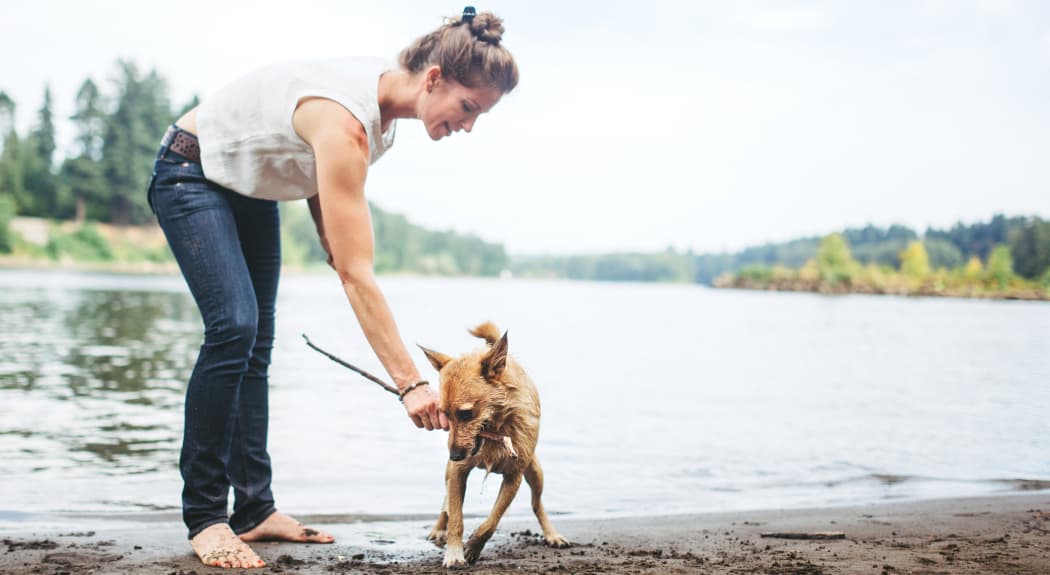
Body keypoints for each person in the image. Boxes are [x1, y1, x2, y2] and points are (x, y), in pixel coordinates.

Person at [147, 7, 518, 569]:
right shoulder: (348, 120)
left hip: (249, 189)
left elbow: (315, 174)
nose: (467, 124)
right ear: (435, 78)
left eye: (480, 116)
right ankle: (206, 518)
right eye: (468, 107)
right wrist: (411, 384)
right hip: (190, 172)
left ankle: (254, 510)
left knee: (256, 344)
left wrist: (327, 231)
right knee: (234, 329)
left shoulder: (380, 122)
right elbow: (356, 273)